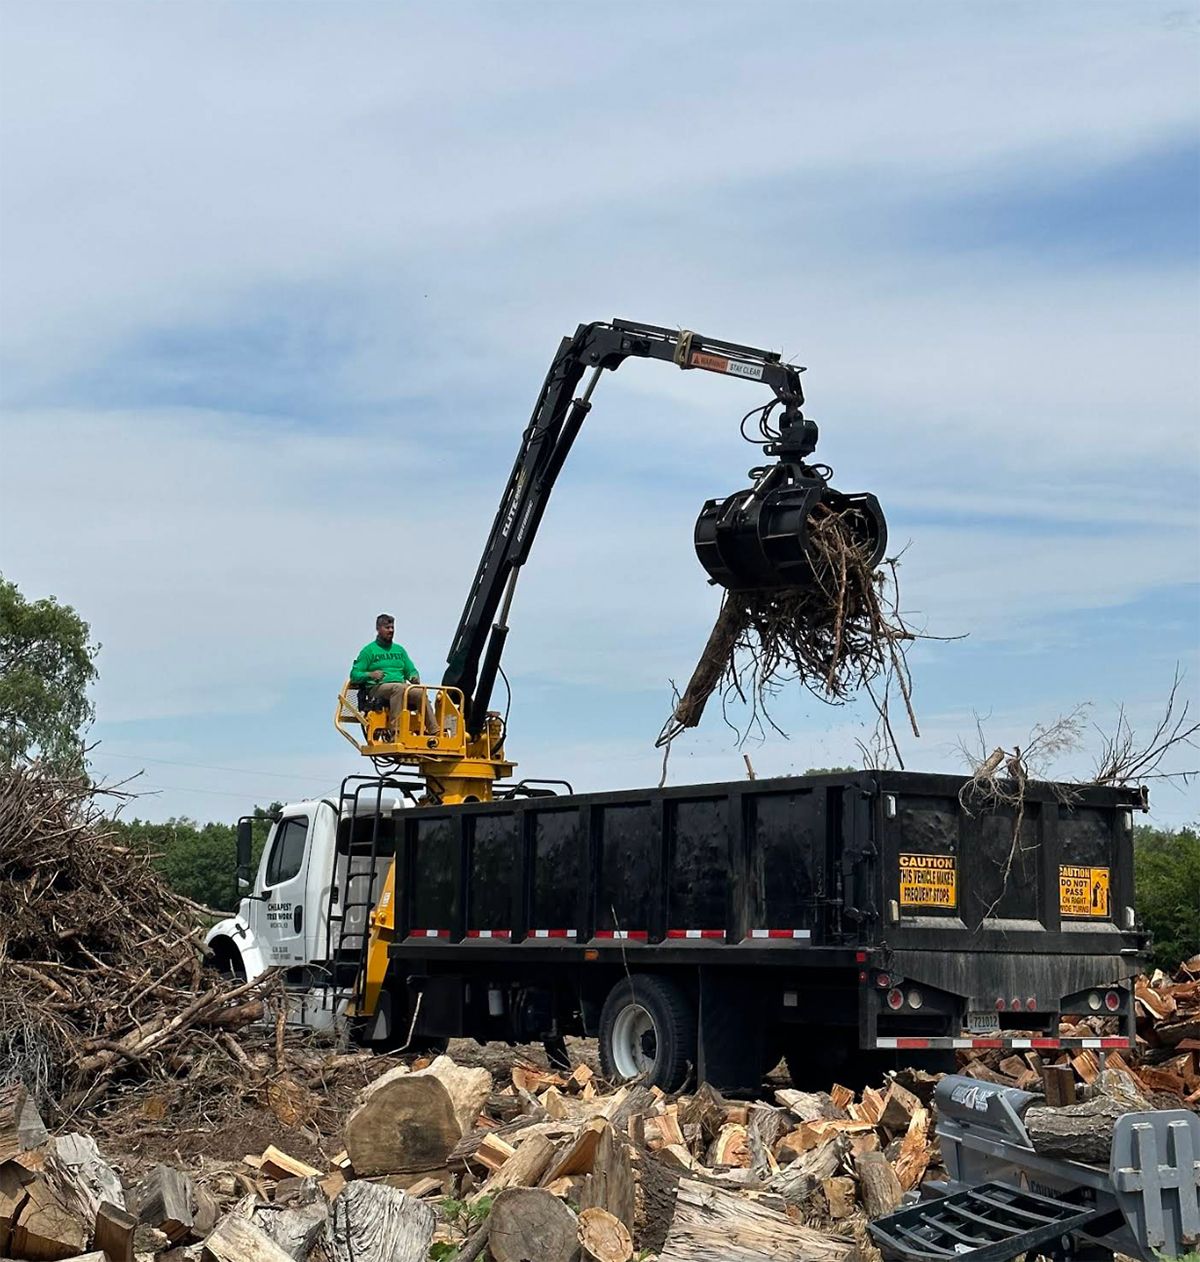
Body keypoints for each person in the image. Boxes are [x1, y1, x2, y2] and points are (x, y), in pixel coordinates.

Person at [349, 614, 439, 737]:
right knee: (399, 688)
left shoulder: (399, 650)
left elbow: (410, 669)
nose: (391, 630)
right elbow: (354, 674)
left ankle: (434, 731)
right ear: (378, 629)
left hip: (400, 687)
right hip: (377, 688)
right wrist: (370, 674)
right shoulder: (369, 651)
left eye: (392, 627)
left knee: (419, 692)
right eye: (387, 627)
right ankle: (396, 731)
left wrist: (414, 676)